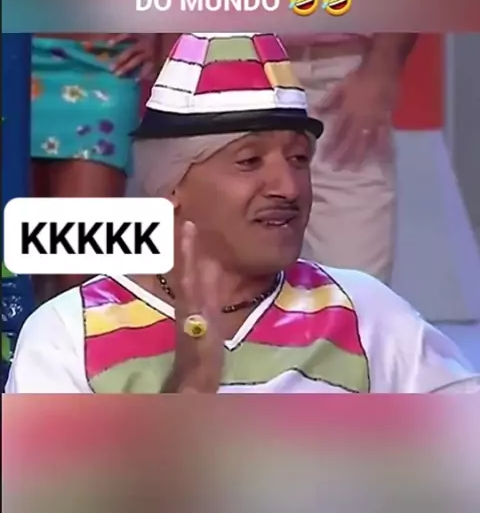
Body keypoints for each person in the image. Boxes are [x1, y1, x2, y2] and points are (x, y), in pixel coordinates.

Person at [6, 32, 479, 394]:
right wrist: (192, 388)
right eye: (250, 161)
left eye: (299, 159)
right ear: (172, 185)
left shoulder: (368, 313)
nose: (288, 187)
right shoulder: (68, 335)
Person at [31, 32, 160, 297]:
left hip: (102, 62)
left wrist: (165, 36)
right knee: (14, 264)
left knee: (80, 270)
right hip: (13, 54)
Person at [285, 33, 418, 283]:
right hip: (241, 66)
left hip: (344, 79)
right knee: (237, 286)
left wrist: (381, 69)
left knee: (356, 286)